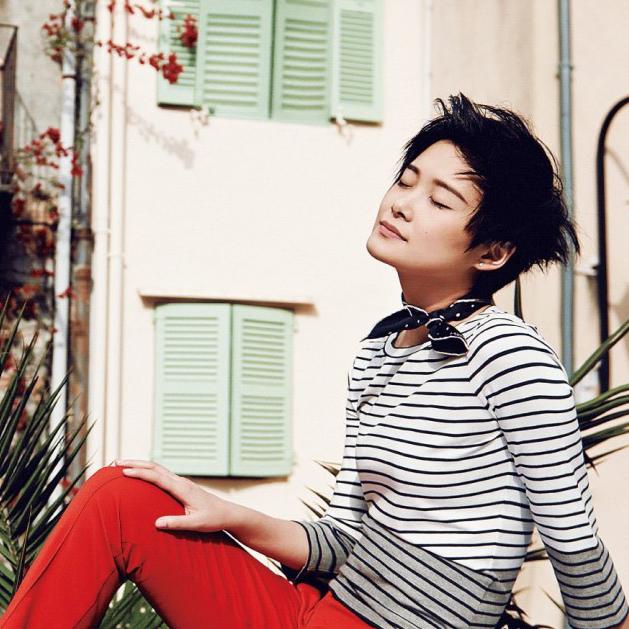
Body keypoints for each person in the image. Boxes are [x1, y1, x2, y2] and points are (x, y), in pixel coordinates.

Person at [1, 93, 627, 629]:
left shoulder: (509, 352)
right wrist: (231, 514)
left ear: (492, 252)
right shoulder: (380, 351)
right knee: (124, 497)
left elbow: (571, 536)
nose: (402, 203)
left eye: (440, 201)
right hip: (314, 610)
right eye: (407, 179)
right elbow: (342, 536)